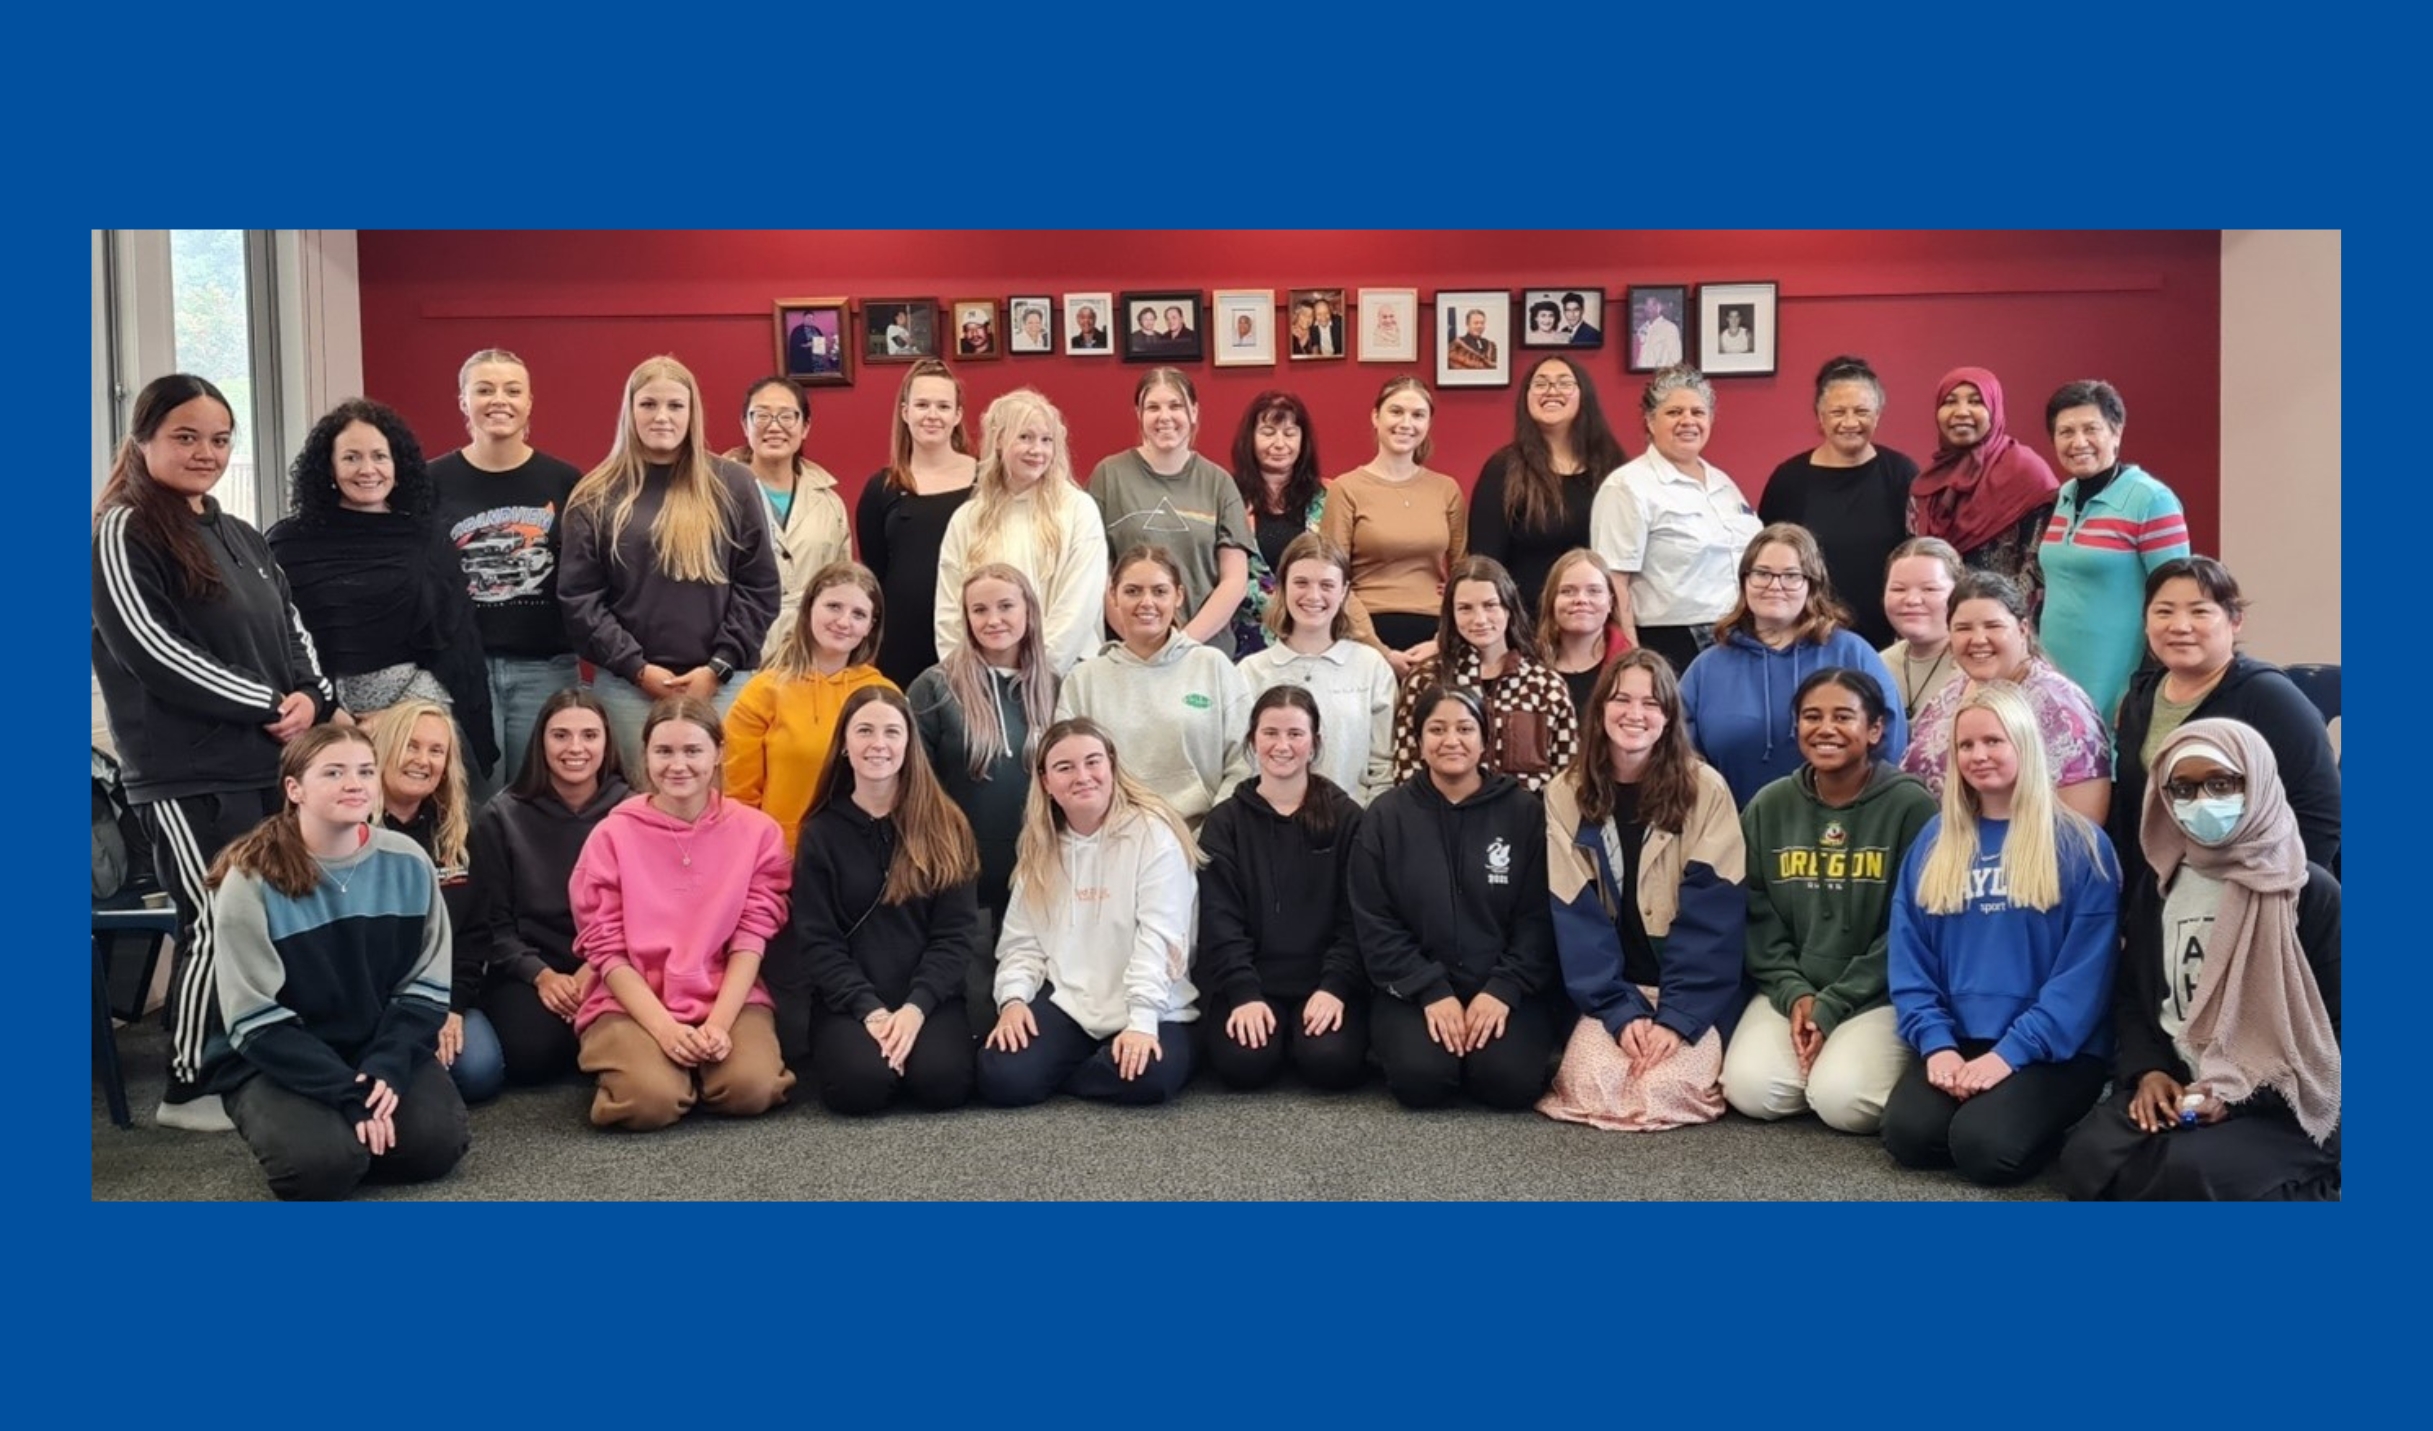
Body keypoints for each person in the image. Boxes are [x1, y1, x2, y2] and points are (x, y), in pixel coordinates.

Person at [93, 374, 337, 1130]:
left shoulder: (238, 533)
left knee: (262, 919)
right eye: (186, 437)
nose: (206, 452)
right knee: (211, 917)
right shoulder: (122, 529)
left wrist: (311, 696)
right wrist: (268, 704)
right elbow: (154, 652)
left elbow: (290, 630)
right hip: (183, 770)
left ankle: (249, 1059)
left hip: (266, 762)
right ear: (143, 440)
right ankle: (188, 1085)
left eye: (220, 439)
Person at [2058, 720, 2341, 1200]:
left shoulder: (2308, 891)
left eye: (2221, 783)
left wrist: (2241, 1098)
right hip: (2183, 1076)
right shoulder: (2162, 884)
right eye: (2183, 789)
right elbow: (2133, 997)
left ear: (2256, 782)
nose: (2202, 802)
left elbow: (2339, 1030)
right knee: (2087, 1156)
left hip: (2284, 1097)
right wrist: (2149, 1072)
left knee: (2185, 1171)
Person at [199, 723, 470, 1199]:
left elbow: (425, 985)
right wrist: (347, 1095)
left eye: (365, 771)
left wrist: (387, 1067)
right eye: (334, 772)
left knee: (434, 1147)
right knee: (319, 1170)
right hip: (278, 1058)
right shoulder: (249, 879)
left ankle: (353, 1135)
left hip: (372, 1043)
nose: (354, 783)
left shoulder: (409, 861)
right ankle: (329, 1136)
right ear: (294, 789)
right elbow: (253, 1018)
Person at [1883, 683, 2120, 1186]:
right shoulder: (1935, 840)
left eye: (1993, 741)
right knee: (1911, 1137)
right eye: (1965, 746)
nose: (1978, 756)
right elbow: (1910, 956)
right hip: (1961, 1036)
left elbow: (2085, 978)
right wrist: (1936, 1044)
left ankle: (2051, 1122)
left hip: (2056, 1049)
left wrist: (2009, 1055)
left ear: (2024, 745)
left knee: (1984, 1151)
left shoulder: (2081, 845)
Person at [1538, 651, 1746, 1132]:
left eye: (1652, 703)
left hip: (1688, 988)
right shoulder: (1565, 793)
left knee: (1666, 1089)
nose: (1635, 714)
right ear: (1599, 710)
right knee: (1590, 1084)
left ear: (1670, 716)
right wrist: (1618, 1010)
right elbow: (1576, 917)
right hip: (1613, 985)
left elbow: (1714, 917)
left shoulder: (1706, 790)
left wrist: (1677, 1017)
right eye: (1622, 700)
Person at [1722, 669, 1937, 1133]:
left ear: (1875, 729)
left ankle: (1841, 1065)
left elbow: (1914, 927)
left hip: (1879, 994)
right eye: (1811, 716)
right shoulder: (1769, 804)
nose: (1825, 728)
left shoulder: (1912, 807)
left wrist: (1835, 1002)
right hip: (1793, 989)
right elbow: (1755, 914)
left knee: (1843, 1102)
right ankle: (1820, 1057)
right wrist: (1794, 991)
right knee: (1751, 1091)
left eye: (1844, 716)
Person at [568, 696, 795, 1130]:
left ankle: (697, 1067)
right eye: (664, 751)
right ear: (646, 754)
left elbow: (752, 938)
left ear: (718, 754)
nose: (678, 765)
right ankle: (655, 1067)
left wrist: (719, 1025)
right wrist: (667, 1032)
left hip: (725, 991)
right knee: (648, 1102)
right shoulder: (611, 835)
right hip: (633, 999)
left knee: (750, 1088)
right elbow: (607, 952)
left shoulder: (757, 832)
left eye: (693, 751)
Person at [559, 355, 782, 773]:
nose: (662, 416)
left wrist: (717, 669)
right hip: (629, 689)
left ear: (692, 412)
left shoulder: (733, 484)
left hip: (723, 684)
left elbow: (760, 587)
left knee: (724, 808)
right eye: (649, 404)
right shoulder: (595, 494)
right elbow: (580, 600)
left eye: (675, 406)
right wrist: (638, 669)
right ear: (630, 410)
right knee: (641, 810)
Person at [778, 686, 982, 1114]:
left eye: (892, 732)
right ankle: (882, 1056)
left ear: (909, 745)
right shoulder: (820, 833)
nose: (879, 744)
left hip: (929, 997)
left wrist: (915, 1008)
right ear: (844, 747)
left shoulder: (948, 825)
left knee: (942, 1084)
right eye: (865, 731)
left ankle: (912, 1052)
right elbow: (818, 941)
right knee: (860, 1089)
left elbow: (955, 936)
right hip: (848, 1000)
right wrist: (869, 1010)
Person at [1354, 684, 1558, 1110]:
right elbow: (1375, 920)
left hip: (1504, 983)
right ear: (1418, 740)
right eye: (1437, 729)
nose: (1451, 741)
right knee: (1421, 1082)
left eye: (1465, 728)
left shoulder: (1524, 812)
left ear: (1485, 739)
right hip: (1414, 987)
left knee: (1508, 1084)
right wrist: (1430, 990)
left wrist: (1503, 988)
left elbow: (1539, 916)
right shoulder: (1385, 817)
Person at [978, 719, 1202, 1106]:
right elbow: (1021, 945)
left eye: (1093, 762)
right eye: (1065, 768)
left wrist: (1142, 1024)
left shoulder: (1153, 836)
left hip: (1154, 1006)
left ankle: (1069, 1068)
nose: (1082, 776)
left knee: (1149, 1077)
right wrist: (1013, 1001)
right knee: (1001, 1077)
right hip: (1072, 1003)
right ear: (1046, 782)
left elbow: (1160, 941)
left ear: (1111, 767)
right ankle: (1086, 1061)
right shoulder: (1040, 847)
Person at [268, 397, 496, 774]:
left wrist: (397, 722)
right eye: (351, 457)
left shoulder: (428, 539)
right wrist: (333, 713)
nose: (367, 469)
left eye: (379, 456)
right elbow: (278, 641)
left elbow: (456, 645)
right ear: (329, 466)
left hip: (419, 717)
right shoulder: (288, 543)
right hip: (321, 722)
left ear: (398, 464)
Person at [2109, 556, 2340, 881]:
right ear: (2146, 623)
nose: (2180, 625)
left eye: (2200, 611)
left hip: (2261, 891)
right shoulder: (2140, 699)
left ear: (2235, 621)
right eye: (2163, 611)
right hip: (2165, 896)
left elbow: (2321, 814)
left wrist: (2274, 893)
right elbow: (2132, 813)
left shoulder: (2269, 697)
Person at [429, 348, 587, 803]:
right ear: (463, 401)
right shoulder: (430, 481)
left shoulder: (564, 481)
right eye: (484, 389)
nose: (499, 400)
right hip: (461, 667)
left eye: (512, 390)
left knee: (545, 796)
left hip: (547, 667)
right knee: (471, 803)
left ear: (530, 401)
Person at [1197, 687, 1371, 1091]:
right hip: (1253, 979)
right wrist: (1243, 994)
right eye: (1270, 733)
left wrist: (1335, 988)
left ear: (1314, 743)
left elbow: (1358, 915)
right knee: (1243, 1066)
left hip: (1325, 980)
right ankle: (1276, 1035)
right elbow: (1218, 918)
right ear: (1253, 741)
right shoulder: (1225, 823)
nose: (1282, 746)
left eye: (1295, 734)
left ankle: (1300, 1038)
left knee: (1331, 1064)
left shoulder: (1347, 818)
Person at [909, 563, 1059, 1009]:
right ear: (966, 618)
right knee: (971, 1003)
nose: (994, 620)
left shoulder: (1053, 685)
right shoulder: (934, 688)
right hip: (960, 869)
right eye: (980, 609)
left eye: (1006, 606)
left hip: (1035, 864)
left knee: (1028, 997)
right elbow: (917, 789)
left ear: (1029, 612)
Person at [465, 688, 630, 1090]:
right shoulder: (501, 816)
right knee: (529, 1057)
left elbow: (645, 913)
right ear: (541, 741)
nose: (575, 748)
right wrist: (541, 976)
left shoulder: (633, 811)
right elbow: (493, 924)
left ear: (607, 742)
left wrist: (595, 969)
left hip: (615, 963)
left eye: (589, 735)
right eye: (561, 735)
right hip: (532, 967)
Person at [1678, 523, 1909, 806]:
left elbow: (1890, 744)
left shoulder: (1852, 654)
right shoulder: (1707, 669)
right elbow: (1680, 758)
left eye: (1791, 576)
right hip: (1734, 834)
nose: (1775, 586)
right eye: (1762, 574)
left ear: (1812, 584)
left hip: (1843, 831)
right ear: (1744, 581)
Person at [1056, 545, 1249, 827]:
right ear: (1113, 596)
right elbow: (1066, 769)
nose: (1146, 602)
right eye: (1133, 591)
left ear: (1178, 596)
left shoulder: (1213, 667)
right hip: (1112, 843)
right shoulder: (1083, 680)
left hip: (1202, 845)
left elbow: (1245, 762)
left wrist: (1213, 834)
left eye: (1159, 591)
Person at [1590, 364, 1763, 674]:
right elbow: (1614, 582)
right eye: (1674, 412)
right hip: (1672, 643)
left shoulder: (1723, 483)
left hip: (1740, 634)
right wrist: (1633, 661)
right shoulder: (1628, 486)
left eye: (1698, 412)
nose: (1688, 421)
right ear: (1650, 422)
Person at [1901, 570, 2111, 823]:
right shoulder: (1948, 696)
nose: (1978, 639)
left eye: (1993, 626)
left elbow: (2084, 824)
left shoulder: (2062, 707)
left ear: (2022, 629)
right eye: (1963, 628)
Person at [2037, 379, 2191, 722]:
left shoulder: (2151, 499)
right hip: (2056, 672)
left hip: (2118, 679)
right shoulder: (2063, 496)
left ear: (2116, 432)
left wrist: (2147, 685)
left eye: (2091, 429)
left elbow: (2177, 597)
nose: (2079, 442)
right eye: (2066, 432)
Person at [366, 700, 497, 1103]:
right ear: (385, 748)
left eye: (436, 751)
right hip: (368, 1000)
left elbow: (475, 936)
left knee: (480, 1071)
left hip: (439, 994)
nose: (423, 760)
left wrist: (452, 1006)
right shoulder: (346, 827)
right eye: (412, 745)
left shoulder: (458, 832)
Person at [723, 560, 896, 856]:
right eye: (833, 606)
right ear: (809, 608)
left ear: (871, 626)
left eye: (858, 614)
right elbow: (739, 796)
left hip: (859, 855)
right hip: (779, 856)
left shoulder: (884, 696)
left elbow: (899, 788)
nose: (844, 622)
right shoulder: (763, 691)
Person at [935, 386, 1108, 676]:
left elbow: (1078, 605)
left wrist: (1039, 673)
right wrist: (964, 678)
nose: (1036, 450)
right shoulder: (968, 518)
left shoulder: (1079, 509)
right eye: (1025, 437)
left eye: (1046, 440)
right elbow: (950, 610)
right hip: (985, 681)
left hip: (1064, 674)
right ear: (1000, 440)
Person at [1087, 368, 1255, 656]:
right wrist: (1141, 643)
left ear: (1193, 412)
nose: (1164, 416)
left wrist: (1181, 644)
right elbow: (1095, 572)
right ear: (1139, 414)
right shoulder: (1108, 476)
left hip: (1204, 651)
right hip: (1130, 654)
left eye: (1175, 405)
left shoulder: (1219, 483)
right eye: (1153, 407)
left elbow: (1235, 581)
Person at [1758, 355, 1920, 650]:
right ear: (1820, 417)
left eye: (1861, 411)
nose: (1850, 422)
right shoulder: (1789, 479)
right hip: (1806, 636)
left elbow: (1918, 555)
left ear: (1878, 415)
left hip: (1888, 638)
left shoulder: (1902, 474)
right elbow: (1766, 562)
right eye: (1837, 412)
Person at [1390, 555, 1578, 793]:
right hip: (1443, 821)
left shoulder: (1546, 685)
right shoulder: (1425, 680)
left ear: (1509, 608)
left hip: (1527, 823)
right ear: (1451, 615)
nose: (1479, 619)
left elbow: (1567, 776)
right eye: (1465, 608)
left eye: (1490, 606)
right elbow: (1407, 769)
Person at [1319, 376, 1466, 679]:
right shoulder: (1346, 489)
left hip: (1435, 636)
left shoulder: (1446, 489)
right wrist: (1380, 651)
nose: (1406, 423)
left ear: (1428, 424)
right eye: (1396, 412)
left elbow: (1466, 576)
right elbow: (1331, 578)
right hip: (1365, 634)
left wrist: (1441, 642)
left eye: (1417, 415)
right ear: (1376, 417)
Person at [1234, 533, 1398, 804]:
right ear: (1282, 587)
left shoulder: (1372, 667)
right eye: (1301, 583)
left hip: (1351, 831)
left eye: (1327, 585)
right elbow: (1242, 764)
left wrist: (1365, 830)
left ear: (1344, 591)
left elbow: (1383, 768)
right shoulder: (1251, 672)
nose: (1313, 596)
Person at [1470, 355, 1630, 608]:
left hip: (1595, 618)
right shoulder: (1503, 468)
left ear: (1583, 395)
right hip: (1525, 621)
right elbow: (1485, 561)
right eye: (1541, 384)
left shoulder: (1612, 466)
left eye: (1564, 383)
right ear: (1527, 397)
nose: (1552, 391)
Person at [858, 358, 977, 687]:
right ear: (905, 411)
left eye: (943, 406)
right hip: (902, 642)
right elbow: (876, 571)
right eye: (922, 405)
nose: (932, 415)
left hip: (973, 634)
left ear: (957, 415)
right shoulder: (881, 487)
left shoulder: (986, 480)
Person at [1907, 366, 2060, 610]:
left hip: (2006, 623)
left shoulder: (2026, 472)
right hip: (1938, 623)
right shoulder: (1930, 483)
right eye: (1950, 402)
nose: (1961, 411)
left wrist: (2008, 625)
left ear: (1994, 410)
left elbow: (2038, 568)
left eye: (1976, 402)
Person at [724, 376, 850, 665]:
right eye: (762, 415)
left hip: (813, 654)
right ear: (745, 424)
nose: (774, 426)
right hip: (737, 655)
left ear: (805, 426)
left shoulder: (829, 504)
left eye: (787, 416)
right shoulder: (716, 496)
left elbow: (843, 586)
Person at [1223, 390, 1329, 653]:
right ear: (1251, 438)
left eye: (1290, 433)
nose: (1279, 443)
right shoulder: (1227, 495)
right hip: (1245, 644)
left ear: (1303, 441)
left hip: (1314, 638)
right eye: (1268, 432)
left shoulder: (1328, 497)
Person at [1878, 536, 1967, 721]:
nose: (1912, 600)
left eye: (1930, 589)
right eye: (1898, 589)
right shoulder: (1876, 666)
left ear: (1958, 594)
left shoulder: (1975, 665)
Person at [1538, 547, 1633, 721]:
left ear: (1610, 602)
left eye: (1594, 591)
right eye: (1567, 591)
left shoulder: (1633, 669)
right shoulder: (1528, 667)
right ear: (1551, 601)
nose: (1581, 599)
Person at [1632, 295, 1682, 369]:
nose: (1649, 309)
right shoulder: (1642, 329)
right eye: (1647, 305)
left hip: (1661, 375)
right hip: (1640, 374)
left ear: (1659, 307)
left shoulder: (1670, 328)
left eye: (1653, 305)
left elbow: (1675, 357)